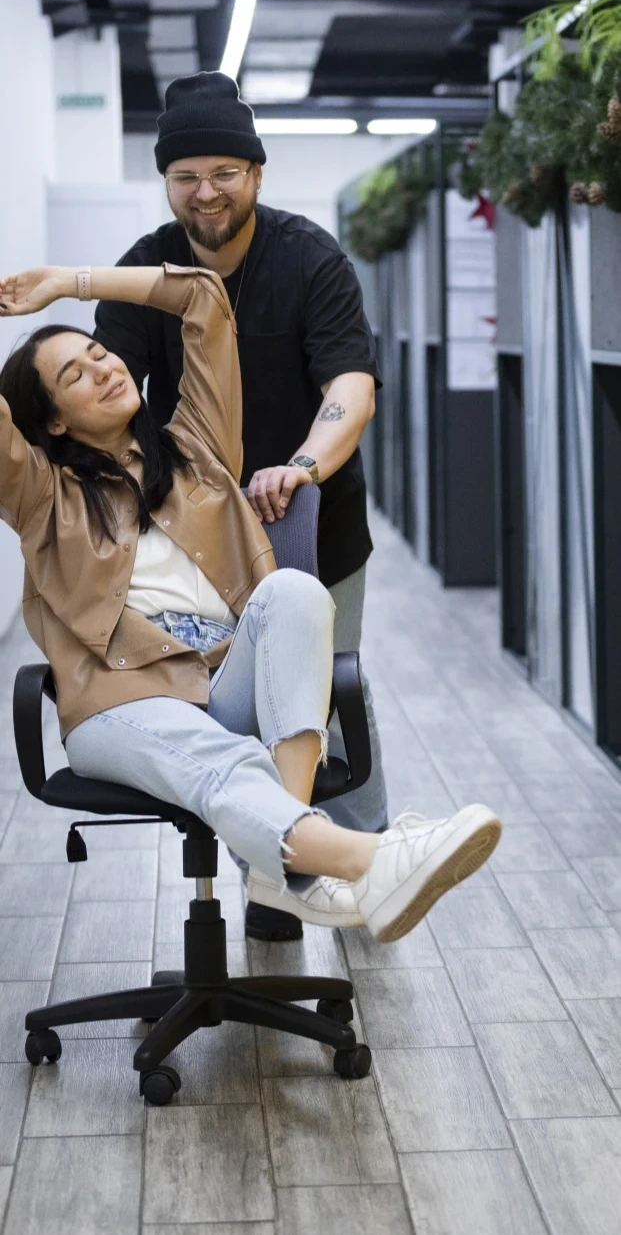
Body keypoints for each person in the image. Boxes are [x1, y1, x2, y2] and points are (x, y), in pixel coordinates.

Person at [0, 261, 502, 944]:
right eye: (74, 376)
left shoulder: (196, 448)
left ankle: (275, 874)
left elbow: (201, 299)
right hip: (122, 701)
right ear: (52, 422)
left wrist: (69, 282)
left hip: (225, 674)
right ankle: (368, 860)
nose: (104, 369)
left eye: (99, 352)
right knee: (227, 760)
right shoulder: (39, 497)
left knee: (292, 589)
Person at [94, 70, 389, 942]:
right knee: (238, 704)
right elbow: (110, 398)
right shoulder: (146, 267)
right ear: (166, 182)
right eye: (186, 175)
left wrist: (300, 464)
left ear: (255, 175)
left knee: (335, 695)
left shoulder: (310, 259)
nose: (206, 191)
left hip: (314, 525)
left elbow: (350, 384)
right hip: (198, 545)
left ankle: (369, 873)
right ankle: (277, 877)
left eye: (224, 171)